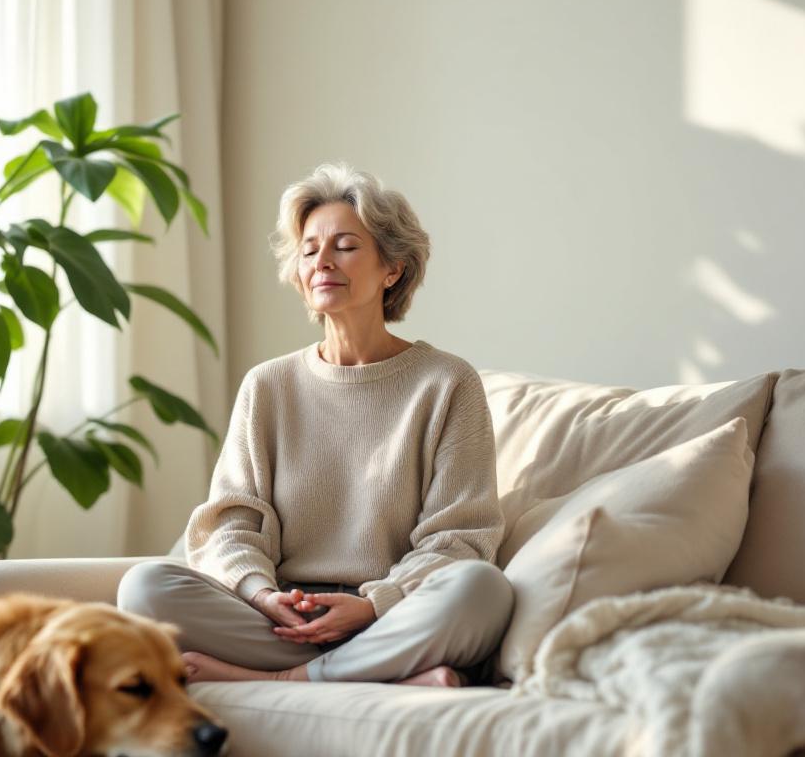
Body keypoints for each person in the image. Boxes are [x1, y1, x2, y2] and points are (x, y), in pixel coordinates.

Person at [117, 163, 512, 687]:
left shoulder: (446, 382)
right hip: (281, 619)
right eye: (308, 250)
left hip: (393, 612)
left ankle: (292, 680)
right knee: (144, 587)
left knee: (483, 592)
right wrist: (263, 596)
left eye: (345, 246)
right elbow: (231, 524)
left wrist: (373, 605)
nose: (322, 260)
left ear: (392, 268)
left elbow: (459, 538)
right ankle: (376, 675)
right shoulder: (268, 386)